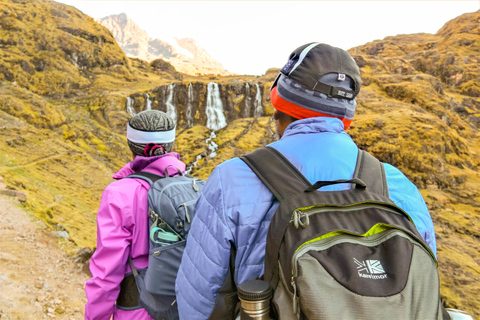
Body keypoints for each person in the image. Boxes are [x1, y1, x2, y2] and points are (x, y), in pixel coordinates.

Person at [175, 43, 437, 320]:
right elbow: (423, 287)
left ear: (278, 105)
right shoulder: (397, 184)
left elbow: (199, 295)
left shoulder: (231, 179)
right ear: (346, 115)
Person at [85, 110, 185, 320]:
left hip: (137, 309)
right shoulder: (191, 187)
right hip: (185, 308)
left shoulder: (119, 193)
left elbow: (107, 272)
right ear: (171, 146)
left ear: (131, 146)